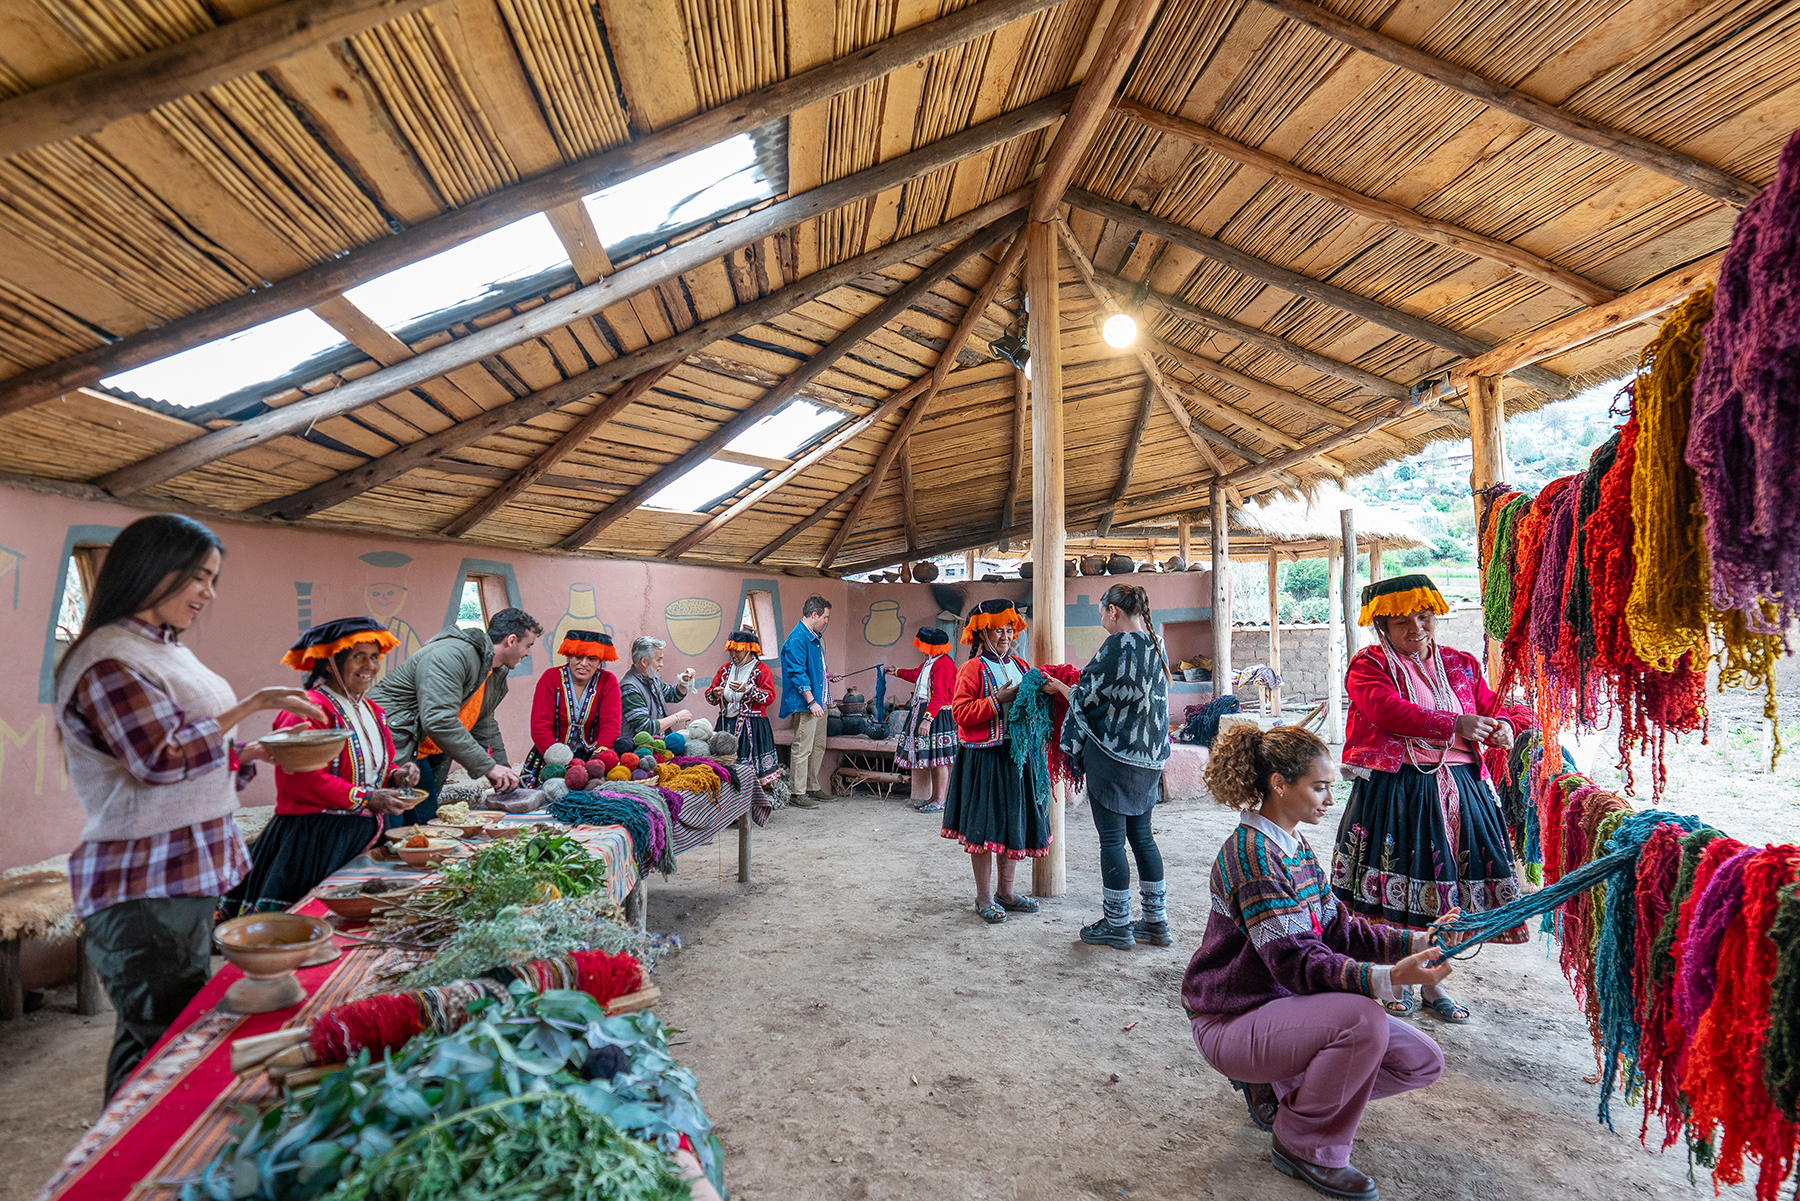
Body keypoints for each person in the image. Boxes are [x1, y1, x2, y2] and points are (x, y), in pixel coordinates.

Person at [52, 514, 324, 1100]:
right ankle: (132, 1149)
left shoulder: (162, 648)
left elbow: (188, 751)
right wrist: (251, 705)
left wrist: (250, 751)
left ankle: (123, 1144)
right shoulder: (108, 660)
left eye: (212, 579)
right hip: (144, 883)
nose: (209, 593)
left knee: (156, 1034)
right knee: (160, 1039)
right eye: (198, 576)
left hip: (182, 873)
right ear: (153, 569)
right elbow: (159, 758)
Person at [1186, 724, 1468, 1200]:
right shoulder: (1253, 857)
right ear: (1280, 784)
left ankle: (1284, 1093)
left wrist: (1419, 940)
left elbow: (1340, 928)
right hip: (1231, 1017)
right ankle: (1304, 1144)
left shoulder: (1294, 846)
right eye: (1319, 787)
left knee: (1421, 1062)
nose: (1330, 800)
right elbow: (1296, 962)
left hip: (1281, 1010)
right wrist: (1388, 977)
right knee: (1362, 1020)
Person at [1330, 573, 1533, 1023]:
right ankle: (1394, 977)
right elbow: (1386, 710)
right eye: (1402, 622)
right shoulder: (1369, 666)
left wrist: (1503, 725)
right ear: (1382, 626)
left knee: (1444, 897)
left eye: (1423, 617)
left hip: (1461, 791)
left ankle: (1433, 983)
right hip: (1397, 791)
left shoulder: (1461, 664)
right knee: (1397, 891)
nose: (1416, 628)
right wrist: (1455, 723)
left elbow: (1492, 706)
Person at [222, 618, 422, 917]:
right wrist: (367, 798)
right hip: (314, 841)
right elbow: (303, 782)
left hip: (362, 835)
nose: (369, 666)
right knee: (307, 923)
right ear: (330, 662)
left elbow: (372, 765)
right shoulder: (308, 710)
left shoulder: (373, 710)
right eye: (358, 656)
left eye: (374, 657)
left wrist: (396, 774)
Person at [1053, 583, 1172, 950]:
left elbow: (1087, 696)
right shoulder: (1157, 644)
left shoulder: (1117, 645)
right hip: (1149, 760)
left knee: (1111, 841)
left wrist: (1058, 687)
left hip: (1113, 758)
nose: (1101, 618)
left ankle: (1117, 925)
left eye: (1102, 612)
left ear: (1113, 612)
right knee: (1143, 838)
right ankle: (1156, 923)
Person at [941, 598, 1060, 923]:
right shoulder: (972, 669)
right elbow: (960, 713)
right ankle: (983, 897)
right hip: (985, 758)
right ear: (982, 634)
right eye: (998, 631)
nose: (1005, 636)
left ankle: (1006, 893)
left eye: (1009, 630)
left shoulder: (1021, 666)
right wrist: (998, 700)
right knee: (984, 828)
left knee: (1011, 824)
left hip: (1018, 758)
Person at [371, 607, 540, 825]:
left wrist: (503, 775)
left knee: (424, 824)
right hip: (393, 743)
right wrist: (487, 766)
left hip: (423, 750)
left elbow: (484, 724)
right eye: (528, 646)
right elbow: (438, 720)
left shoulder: (493, 672)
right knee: (391, 825)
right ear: (511, 640)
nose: (527, 654)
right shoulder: (452, 655)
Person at [522, 629, 622, 786]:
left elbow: (610, 725)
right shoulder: (550, 678)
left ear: (600, 661)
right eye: (578, 657)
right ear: (568, 656)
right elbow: (540, 725)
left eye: (592, 658)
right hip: (552, 756)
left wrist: (595, 762)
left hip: (593, 757)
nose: (584, 663)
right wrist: (557, 760)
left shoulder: (608, 682)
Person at [891, 626, 957, 813]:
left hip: (938, 715)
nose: (920, 648)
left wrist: (927, 719)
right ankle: (933, 798)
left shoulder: (944, 664)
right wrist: (896, 671)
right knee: (933, 760)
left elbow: (939, 694)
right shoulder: (930, 662)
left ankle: (940, 800)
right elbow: (915, 675)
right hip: (927, 711)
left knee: (940, 760)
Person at [778, 596, 835, 809]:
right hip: (807, 704)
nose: (826, 621)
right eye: (825, 617)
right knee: (802, 747)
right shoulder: (797, 639)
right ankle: (797, 792)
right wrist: (811, 702)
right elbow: (798, 673)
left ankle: (812, 786)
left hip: (819, 700)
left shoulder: (813, 637)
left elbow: (811, 669)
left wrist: (828, 676)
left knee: (818, 745)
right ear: (814, 614)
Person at [705, 627, 779, 786]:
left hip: (752, 727)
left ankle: (753, 793)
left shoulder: (761, 670)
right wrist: (715, 693)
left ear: (749, 650)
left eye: (737, 651)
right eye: (731, 650)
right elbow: (710, 697)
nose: (733, 655)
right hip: (726, 724)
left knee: (749, 766)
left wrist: (748, 689)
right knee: (723, 763)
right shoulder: (725, 670)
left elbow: (769, 697)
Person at [619, 635, 696, 739]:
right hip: (638, 747)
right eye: (658, 660)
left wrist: (684, 681)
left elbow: (673, 695)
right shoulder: (629, 688)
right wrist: (677, 717)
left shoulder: (651, 679)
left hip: (655, 744)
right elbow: (645, 728)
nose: (661, 664)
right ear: (644, 662)